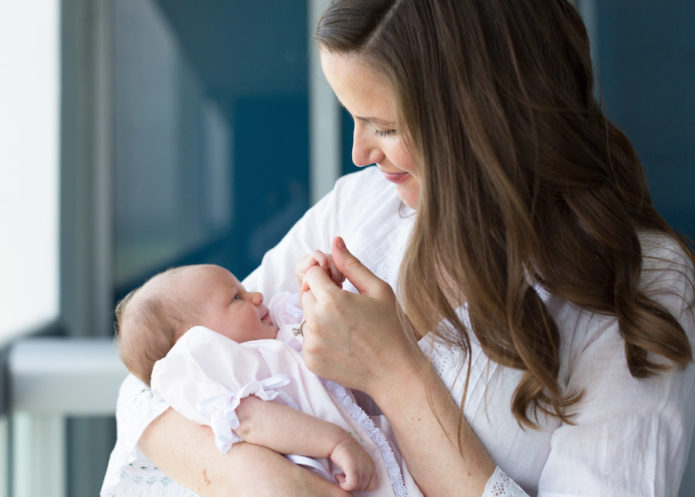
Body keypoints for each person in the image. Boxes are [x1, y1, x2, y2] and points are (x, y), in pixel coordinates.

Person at [101, 1, 695, 496]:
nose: (360, 152)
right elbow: (160, 370)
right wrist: (268, 482)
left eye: (384, 127)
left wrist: (393, 372)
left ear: (482, 119)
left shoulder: (642, 290)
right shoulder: (363, 209)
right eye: (353, 119)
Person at [112, 262, 416, 495]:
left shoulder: (270, 339)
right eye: (236, 297)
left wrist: (316, 290)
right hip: (330, 468)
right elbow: (253, 421)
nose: (256, 294)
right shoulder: (220, 372)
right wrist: (335, 443)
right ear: (195, 342)